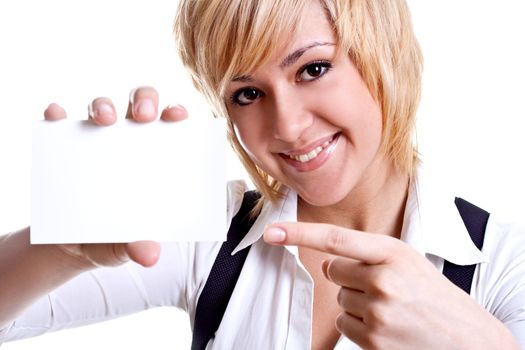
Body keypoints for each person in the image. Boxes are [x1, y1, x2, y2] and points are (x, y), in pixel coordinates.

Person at [1, 0, 524, 348]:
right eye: (247, 94)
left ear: (384, 53)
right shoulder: (210, 233)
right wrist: (64, 248)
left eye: (313, 69)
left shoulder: (504, 265)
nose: (290, 126)